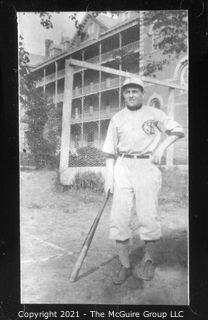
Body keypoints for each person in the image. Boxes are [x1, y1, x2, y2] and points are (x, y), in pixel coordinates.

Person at [102, 77, 184, 285]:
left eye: (135, 91)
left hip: (147, 166)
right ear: (123, 94)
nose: (131, 95)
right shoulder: (117, 118)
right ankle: (125, 265)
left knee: (148, 216)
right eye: (127, 91)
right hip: (122, 166)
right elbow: (110, 152)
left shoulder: (154, 114)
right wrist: (109, 178)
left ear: (142, 93)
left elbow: (177, 130)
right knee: (119, 218)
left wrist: (161, 147)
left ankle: (147, 260)